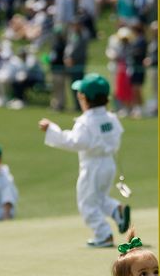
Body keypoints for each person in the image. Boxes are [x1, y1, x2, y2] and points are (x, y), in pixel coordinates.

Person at [38, 73, 129, 248]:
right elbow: (117, 137)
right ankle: (117, 211)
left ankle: (103, 234)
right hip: (109, 163)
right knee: (99, 198)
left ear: (84, 98)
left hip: (92, 165)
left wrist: (51, 129)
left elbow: (74, 142)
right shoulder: (111, 118)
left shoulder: (86, 121)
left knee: (87, 203)